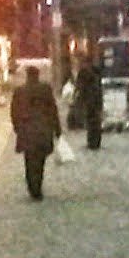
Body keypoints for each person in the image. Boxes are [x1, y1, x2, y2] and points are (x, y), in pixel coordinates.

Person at [10, 63, 63, 200]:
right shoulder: (45, 89)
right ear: (37, 76)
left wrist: (17, 127)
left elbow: (14, 112)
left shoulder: (19, 91)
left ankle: (32, 187)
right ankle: (38, 187)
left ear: (27, 76)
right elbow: (53, 110)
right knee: (40, 162)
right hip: (43, 131)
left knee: (29, 161)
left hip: (26, 132)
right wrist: (57, 129)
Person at [73, 53, 105, 151]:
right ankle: (96, 141)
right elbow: (99, 85)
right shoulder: (97, 71)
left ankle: (92, 142)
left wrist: (77, 97)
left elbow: (79, 87)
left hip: (88, 100)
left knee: (91, 121)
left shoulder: (83, 72)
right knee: (96, 121)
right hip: (96, 99)